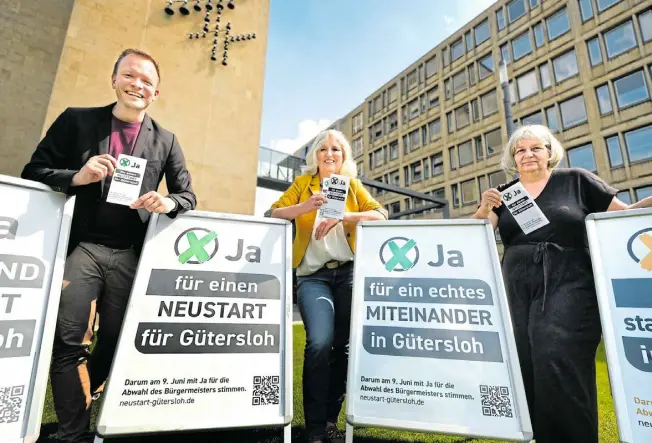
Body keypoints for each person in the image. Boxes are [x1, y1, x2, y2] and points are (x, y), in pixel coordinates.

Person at [21, 48, 196, 443]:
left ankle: (93, 389)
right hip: (81, 248)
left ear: (155, 93)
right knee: (70, 340)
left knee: (118, 341)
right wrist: (78, 176)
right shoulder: (76, 120)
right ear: (114, 79)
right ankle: (73, 433)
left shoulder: (166, 141)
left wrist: (167, 202)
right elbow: (34, 170)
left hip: (132, 255)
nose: (138, 85)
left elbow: (187, 195)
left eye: (147, 81)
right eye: (130, 76)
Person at [472, 124, 652, 443]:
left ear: (550, 152)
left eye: (535, 148)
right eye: (520, 150)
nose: (527, 154)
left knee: (556, 354)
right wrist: (485, 208)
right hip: (516, 287)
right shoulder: (505, 193)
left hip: (570, 282)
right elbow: (474, 237)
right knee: (525, 362)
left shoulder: (576, 180)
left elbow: (621, 218)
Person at [267, 129, 387, 443]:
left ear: (343, 156)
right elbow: (274, 212)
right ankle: (316, 427)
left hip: (348, 274)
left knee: (342, 347)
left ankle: (331, 422)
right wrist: (305, 207)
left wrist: (345, 216)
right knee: (319, 342)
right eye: (323, 149)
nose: (330, 153)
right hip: (313, 277)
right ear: (315, 156)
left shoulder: (352, 186)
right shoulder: (301, 185)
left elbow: (380, 215)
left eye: (336, 149)